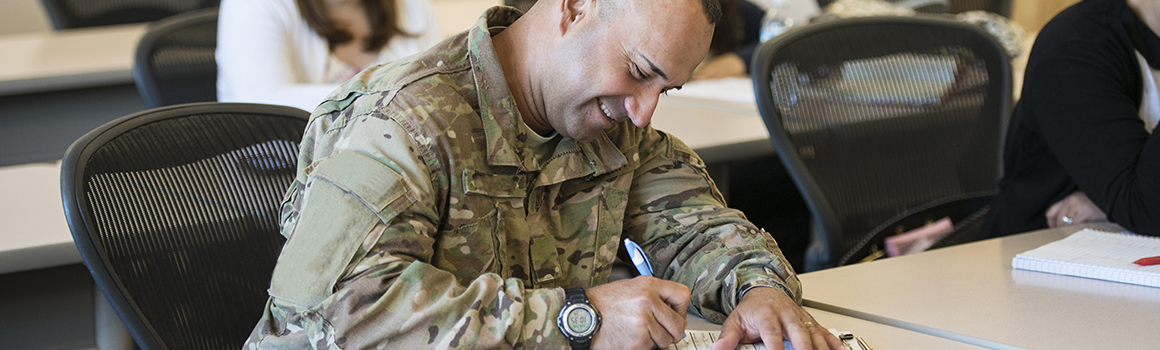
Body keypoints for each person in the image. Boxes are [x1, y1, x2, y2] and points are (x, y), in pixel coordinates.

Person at [244, 0, 846, 349]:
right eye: (639, 70)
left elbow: (704, 231)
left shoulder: (605, 122)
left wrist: (761, 291)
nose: (644, 109)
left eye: (667, 86)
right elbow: (340, 311)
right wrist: (578, 319)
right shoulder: (403, 119)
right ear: (575, 7)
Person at [981, 0, 1160, 238]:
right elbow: (1148, 209)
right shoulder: (1076, 45)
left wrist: (1111, 205)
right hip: (1042, 253)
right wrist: (1124, 202)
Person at [216, 0, 441, 112]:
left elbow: (440, 92)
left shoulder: (413, 6)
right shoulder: (253, 5)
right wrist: (398, 98)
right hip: (281, 179)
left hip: (399, 173)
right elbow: (260, 105)